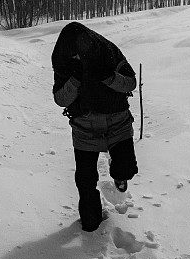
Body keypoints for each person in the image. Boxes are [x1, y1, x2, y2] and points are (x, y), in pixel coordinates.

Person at [52, 22, 139, 232]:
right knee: (85, 180)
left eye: (83, 53)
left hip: (117, 123)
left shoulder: (108, 52)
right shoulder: (64, 62)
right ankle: (91, 221)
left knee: (125, 167)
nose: (79, 58)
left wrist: (107, 76)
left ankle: (119, 175)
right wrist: (75, 80)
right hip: (85, 129)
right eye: (74, 54)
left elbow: (130, 83)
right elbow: (60, 99)